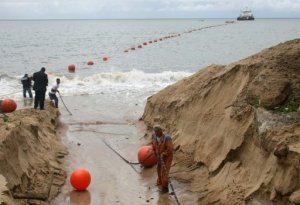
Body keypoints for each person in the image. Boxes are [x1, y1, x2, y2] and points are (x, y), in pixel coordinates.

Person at [151, 124, 173, 194]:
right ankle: (160, 184)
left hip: (167, 157)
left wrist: (163, 154)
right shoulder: (154, 136)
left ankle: (165, 189)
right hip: (159, 157)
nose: (156, 133)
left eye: (157, 131)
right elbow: (154, 145)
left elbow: (170, 149)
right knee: (158, 169)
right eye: (155, 131)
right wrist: (155, 152)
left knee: (164, 172)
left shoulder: (167, 138)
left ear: (161, 131)